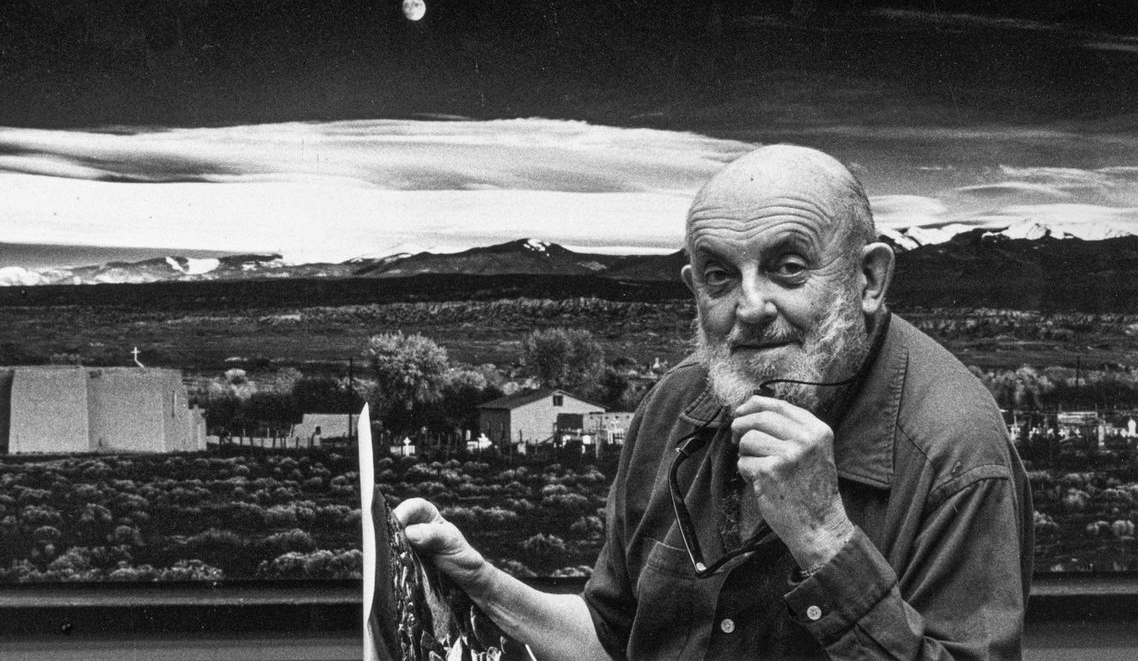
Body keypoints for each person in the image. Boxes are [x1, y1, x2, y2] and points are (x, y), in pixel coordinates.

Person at [395, 144, 1034, 660]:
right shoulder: (674, 406)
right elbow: (613, 639)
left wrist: (824, 538)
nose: (749, 308)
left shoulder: (956, 454)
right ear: (693, 287)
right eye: (720, 276)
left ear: (868, 279)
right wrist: (483, 585)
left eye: (788, 267)